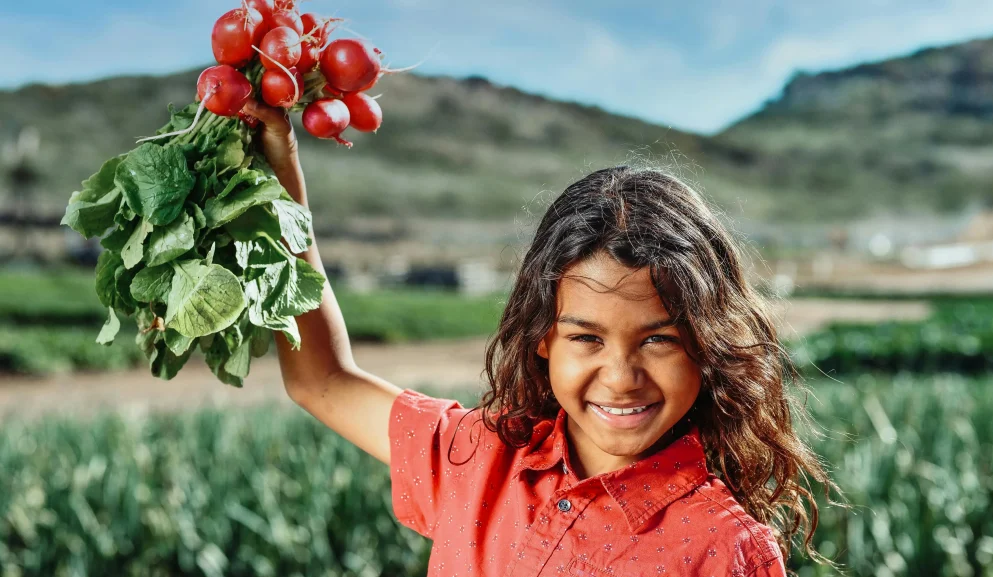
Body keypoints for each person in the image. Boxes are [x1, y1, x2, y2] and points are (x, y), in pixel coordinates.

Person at [242, 97, 839, 576]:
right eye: (587, 338)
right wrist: (282, 178)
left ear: (707, 346)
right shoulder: (478, 456)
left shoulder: (721, 549)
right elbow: (319, 378)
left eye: (658, 340)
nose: (621, 377)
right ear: (542, 339)